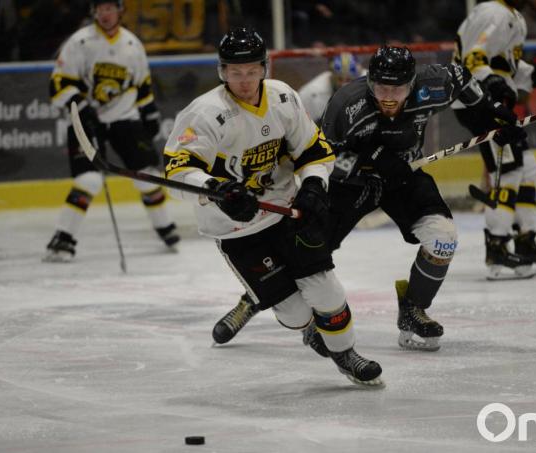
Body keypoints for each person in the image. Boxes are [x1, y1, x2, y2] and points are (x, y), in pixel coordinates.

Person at [211, 45, 524, 352]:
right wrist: (374, 158)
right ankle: (253, 298)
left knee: (442, 238)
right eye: (380, 88)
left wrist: (490, 114)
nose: (387, 97)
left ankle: (413, 309)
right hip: (349, 184)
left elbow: (462, 77)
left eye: (397, 89)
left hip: (403, 176)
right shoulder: (346, 104)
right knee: (305, 253)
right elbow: (321, 157)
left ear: (413, 84)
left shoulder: (434, 84)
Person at [163, 27, 383, 386]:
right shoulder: (203, 113)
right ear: (222, 71)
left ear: (264, 68)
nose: (245, 80)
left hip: (286, 212)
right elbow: (178, 171)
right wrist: (218, 190)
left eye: (252, 71)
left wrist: (313, 184)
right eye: (236, 72)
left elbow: (313, 151)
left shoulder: (283, 98)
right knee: (294, 312)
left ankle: (346, 354)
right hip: (236, 230)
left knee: (325, 287)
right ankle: (308, 329)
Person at [43, 0, 179, 262]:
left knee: (147, 175)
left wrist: (149, 113)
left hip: (124, 118)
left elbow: (143, 86)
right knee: (89, 180)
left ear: (120, 10)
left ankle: (164, 226)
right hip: (86, 122)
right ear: (94, 11)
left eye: (110, 8)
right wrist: (80, 106)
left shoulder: (132, 44)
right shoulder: (80, 42)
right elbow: (58, 83)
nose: (106, 14)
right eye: (100, 9)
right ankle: (63, 237)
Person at [452, 0, 536, 280]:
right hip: (479, 103)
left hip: (492, 101)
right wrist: (490, 84)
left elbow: (503, 65)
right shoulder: (493, 13)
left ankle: (525, 239)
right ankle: (496, 246)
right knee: (509, 171)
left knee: (527, 167)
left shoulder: (512, 16)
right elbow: (473, 57)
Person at [297, 52, 361, 123]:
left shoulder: (367, 83)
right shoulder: (311, 93)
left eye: (349, 79)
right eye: (340, 79)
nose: (344, 84)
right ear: (332, 75)